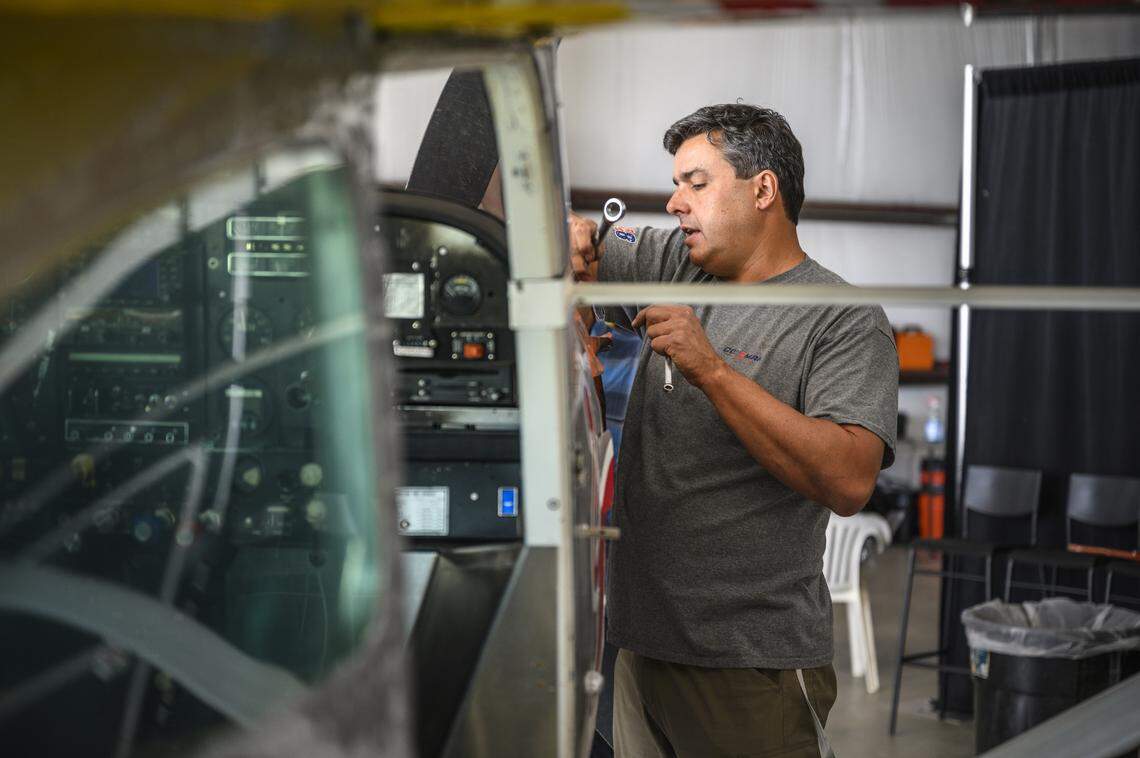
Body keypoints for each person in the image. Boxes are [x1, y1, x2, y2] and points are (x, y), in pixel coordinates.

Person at [568, 104, 899, 758]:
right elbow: (584, 243)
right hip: (637, 648)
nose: (674, 202)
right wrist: (571, 246)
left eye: (696, 183)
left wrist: (712, 371)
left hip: (749, 669)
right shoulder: (678, 261)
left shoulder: (842, 321)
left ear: (763, 190)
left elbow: (849, 477)